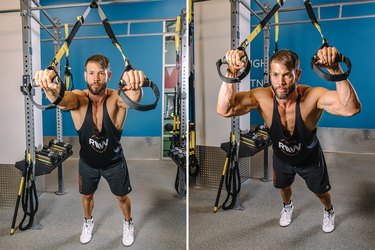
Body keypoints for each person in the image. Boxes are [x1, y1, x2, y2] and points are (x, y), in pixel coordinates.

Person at [216, 47, 361, 233]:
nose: (280, 82)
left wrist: (335, 70)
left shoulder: (312, 97)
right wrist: (231, 72)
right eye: (275, 75)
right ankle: (287, 206)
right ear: (270, 75)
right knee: (283, 187)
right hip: (281, 158)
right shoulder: (262, 98)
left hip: (309, 158)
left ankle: (329, 210)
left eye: (287, 75)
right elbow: (224, 109)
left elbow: (351, 109)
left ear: (297, 74)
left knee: (321, 193)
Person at [34, 54, 144, 246]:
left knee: (122, 196)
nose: (96, 78)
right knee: (86, 196)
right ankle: (88, 221)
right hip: (88, 163)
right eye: (92, 73)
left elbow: (132, 99)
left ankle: (128, 223)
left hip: (114, 163)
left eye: (101, 73)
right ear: (85, 75)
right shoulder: (78, 97)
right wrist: (50, 87)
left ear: (108, 75)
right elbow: (62, 99)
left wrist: (135, 86)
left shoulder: (116, 98)